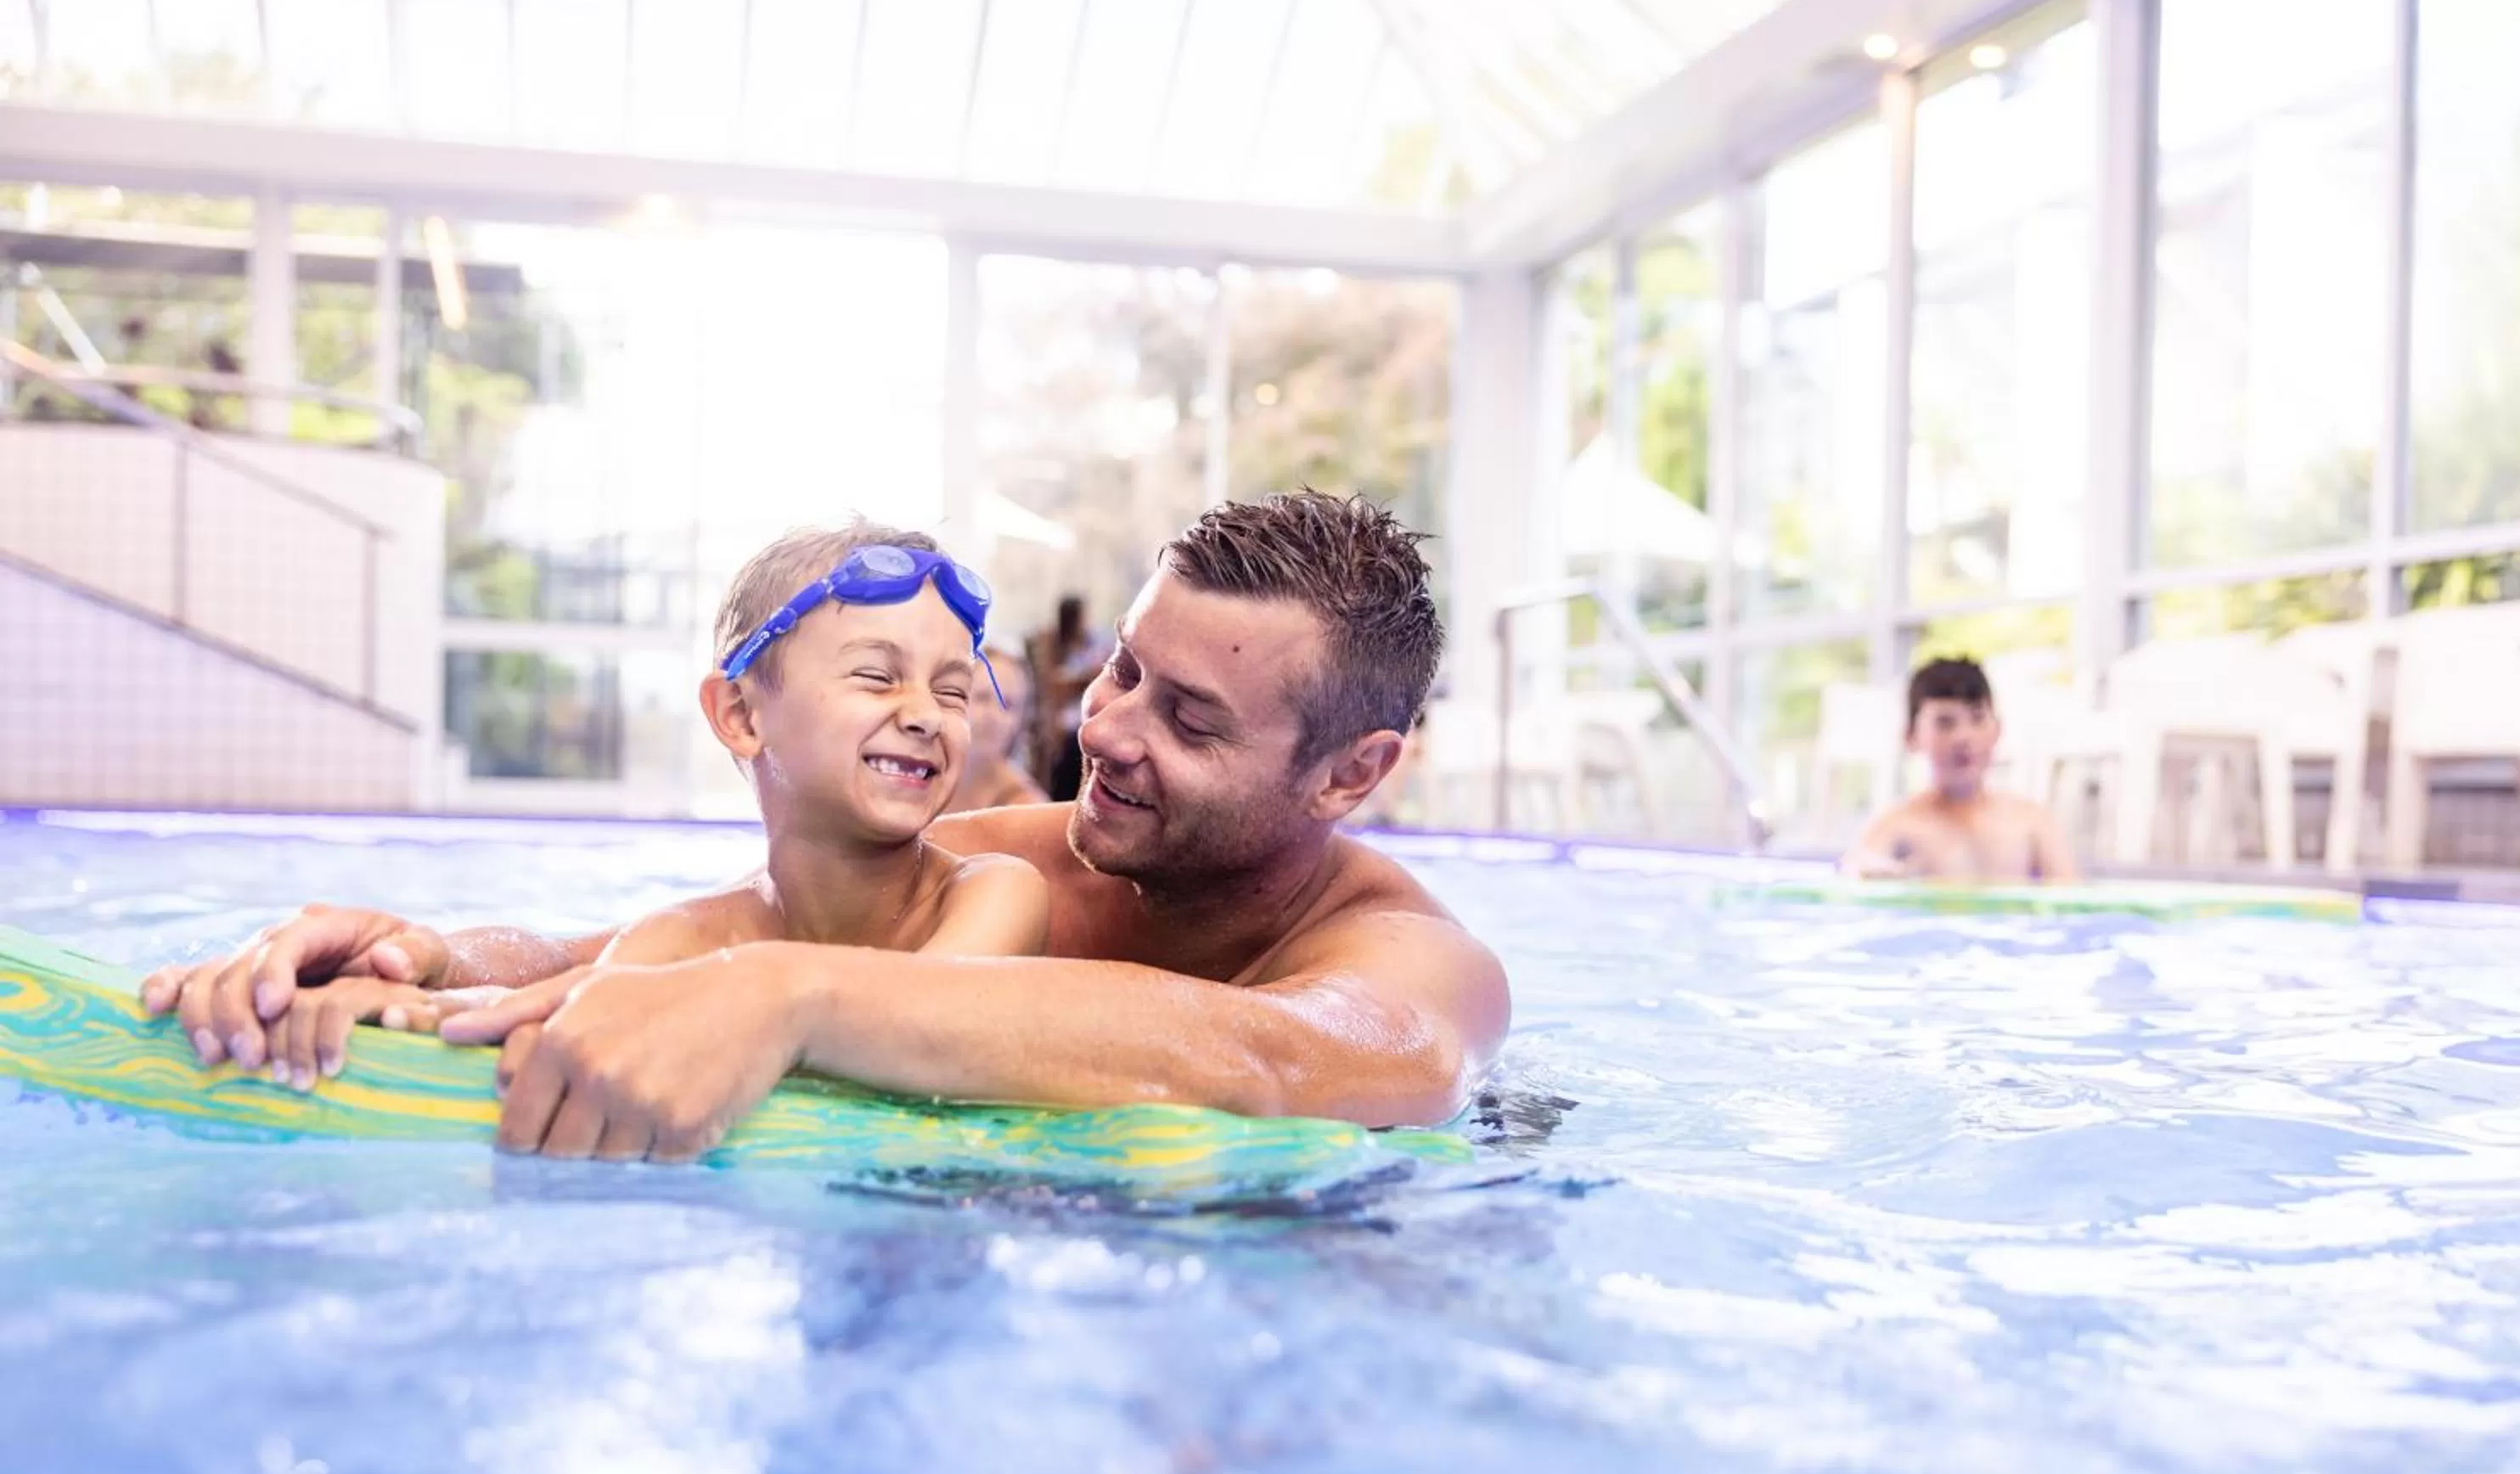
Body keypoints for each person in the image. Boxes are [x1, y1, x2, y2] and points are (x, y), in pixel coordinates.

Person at [143, 490, 1510, 1160]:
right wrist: (427, 960)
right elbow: (666, 951)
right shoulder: (1032, 854)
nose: (1104, 731)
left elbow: (1294, 1059)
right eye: (1122, 674)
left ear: (1351, 773)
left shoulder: (1412, 956)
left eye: (1190, 721)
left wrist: (793, 996)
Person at [149, 520, 1049, 1093]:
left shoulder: (993, 893)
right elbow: (558, 988)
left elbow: (930, 1010)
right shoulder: (699, 933)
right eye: (875, 674)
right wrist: (393, 992)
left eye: (953, 690)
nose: (925, 713)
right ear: (740, 714)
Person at [1843, 655, 2078, 884]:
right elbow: (1858, 871)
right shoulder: (1898, 827)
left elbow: (2072, 904)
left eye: (1977, 719)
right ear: (1911, 737)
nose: (1963, 737)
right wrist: (1870, 873)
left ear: (1997, 729)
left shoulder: (2031, 823)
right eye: (1945, 723)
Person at [942, 641, 1046, 815]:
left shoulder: (1027, 806)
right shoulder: (925, 778)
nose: (993, 717)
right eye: (982, 698)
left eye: (1008, 705)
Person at [1031, 594, 1107, 802]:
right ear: (1073, 618)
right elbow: (1055, 687)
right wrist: (1085, 678)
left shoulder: (1091, 644)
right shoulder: (1053, 646)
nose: (1087, 621)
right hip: (1065, 727)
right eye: (1084, 616)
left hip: (1083, 721)